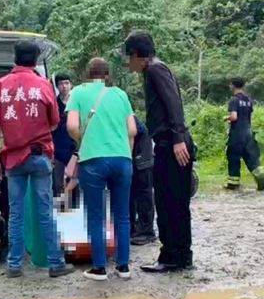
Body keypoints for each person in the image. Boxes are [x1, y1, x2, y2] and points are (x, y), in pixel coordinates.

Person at [0, 40, 75, 279]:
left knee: (15, 213)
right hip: (40, 157)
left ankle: (14, 265)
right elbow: (55, 121)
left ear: (14, 58)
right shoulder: (43, 85)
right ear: (35, 61)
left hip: (12, 160)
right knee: (44, 211)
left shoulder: (0, 86)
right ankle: (55, 263)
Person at [125, 30, 195, 272]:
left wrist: (177, 138)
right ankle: (177, 255)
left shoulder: (155, 69)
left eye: (128, 57)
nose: (128, 63)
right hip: (167, 142)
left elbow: (173, 102)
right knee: (171, 201)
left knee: (170, 201)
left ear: (136, 54)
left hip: (172, 143)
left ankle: (175, 256)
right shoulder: (153, 69)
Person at [66, 57, 136, 281]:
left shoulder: (78, 92)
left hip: (93, 160)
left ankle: (99, 268)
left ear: (88, 73)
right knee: (122, 216)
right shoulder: (120, 94)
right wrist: (127, 153)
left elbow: (72, 126)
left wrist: (83, 141)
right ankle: (123, 267)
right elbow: (132, 130)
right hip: (122, 159)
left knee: (96, 215)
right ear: (107, 75)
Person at [225, 78, 264, 191]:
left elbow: (234, 117)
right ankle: (262, 176)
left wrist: (227, 118)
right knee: (252, 158)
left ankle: (233, 184)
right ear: (243, 86)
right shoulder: (248, 100)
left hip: (237, 135)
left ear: (233, 86)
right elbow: (247, 117)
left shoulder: (234, 100)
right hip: (248, 133)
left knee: (233, 158)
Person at [130, 114, 156, 245]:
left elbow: (135, 131)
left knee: (144, 193)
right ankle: (132, 228)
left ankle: (146, 231)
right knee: (131, 193)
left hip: (142, 155)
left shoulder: (125, 114)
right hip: (134, 155)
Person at [51, 73, 76, 199]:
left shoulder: (77, 103)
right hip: (58, 151)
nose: (64, 86)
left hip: (75, 150)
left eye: (66, 83)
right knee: (58, 185)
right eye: (61, 84)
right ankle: (61, 211)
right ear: (57, 86)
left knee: (76, 182)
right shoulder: (53, 105)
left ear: (71, 84)